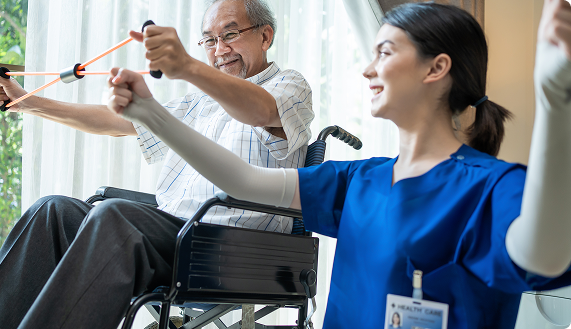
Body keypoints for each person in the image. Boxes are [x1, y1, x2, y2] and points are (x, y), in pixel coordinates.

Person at [106, 0, 571, 328]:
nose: (368, 70)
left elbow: (544, 256)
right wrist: (150, 115)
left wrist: (554, 101)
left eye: (385, 53)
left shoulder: (490, 187)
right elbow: (243, 180)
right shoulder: (359, 180)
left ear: (436, 69)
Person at [0, 0, 313, 328]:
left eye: (230, 34)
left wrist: (187, 67)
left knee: (115, 217)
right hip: (174, 232)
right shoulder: (198, 103)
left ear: (265, 36)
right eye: (209, 41)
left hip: (234, 249)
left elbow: (260, 110)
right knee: (52, 213)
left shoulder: (289, 86)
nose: (219, 51)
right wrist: (30, 103)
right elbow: (119, 122)